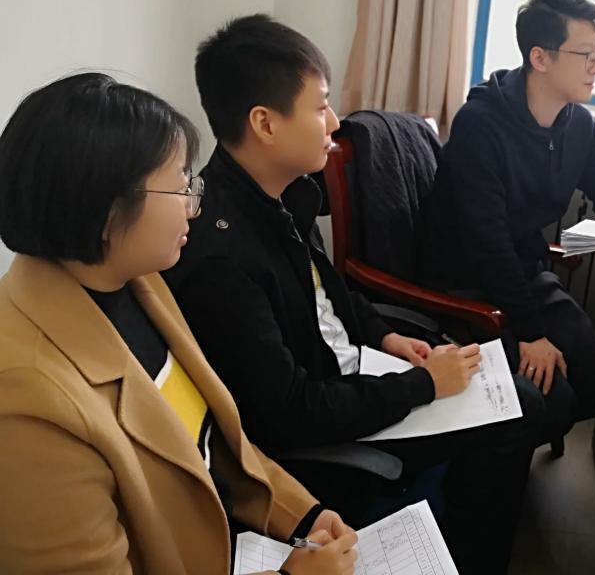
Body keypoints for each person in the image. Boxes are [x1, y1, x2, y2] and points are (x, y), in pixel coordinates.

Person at [163, 15, 544, 574]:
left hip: (358, 373)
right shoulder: (221, 257)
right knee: (522, 411)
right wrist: (423, 385)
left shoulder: (285, 191)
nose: (334, 122)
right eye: (319, 106)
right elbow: (288, 413)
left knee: (523, 394)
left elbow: (329, 294)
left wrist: (386, 337)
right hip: (325, 426)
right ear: (265, 123)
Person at [0, 73, 357, 575]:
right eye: (181, 186)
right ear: (108, 212)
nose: (195, 205)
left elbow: (213, 449)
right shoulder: (28, 404)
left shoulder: (138, 281)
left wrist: (303, 514)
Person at [418, 0, 595, 439]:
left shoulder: (576, 123)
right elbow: (488, 243)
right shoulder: (480, 124)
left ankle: (525, 435)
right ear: (540, 57)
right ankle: (505, 450)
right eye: (585, 55)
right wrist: (531, 334)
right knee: (551, 396)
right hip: (466, 282)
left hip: (522, 274)